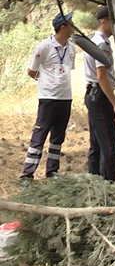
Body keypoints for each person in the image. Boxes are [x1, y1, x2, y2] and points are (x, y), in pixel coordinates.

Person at [19, 12, 76, 186]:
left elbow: (68, 69)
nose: (74, 25)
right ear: (63, 27)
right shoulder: (44, 46)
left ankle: (52, 171)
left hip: (65, 97)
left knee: (58, 136)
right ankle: (27, 175)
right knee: (40, 134)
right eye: (71, 23)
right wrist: (46, 82)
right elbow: (31, 71)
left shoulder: (71, 47)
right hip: (48, 98)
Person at [84, 7, 115, 182]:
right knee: (110, 144)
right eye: (113, 21)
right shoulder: (102, 44)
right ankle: (107, 185)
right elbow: (102, 76)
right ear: (104, 21)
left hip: (94, 94)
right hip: (100, 96)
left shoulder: (96, 41)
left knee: (97, 144)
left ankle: (94, 181)